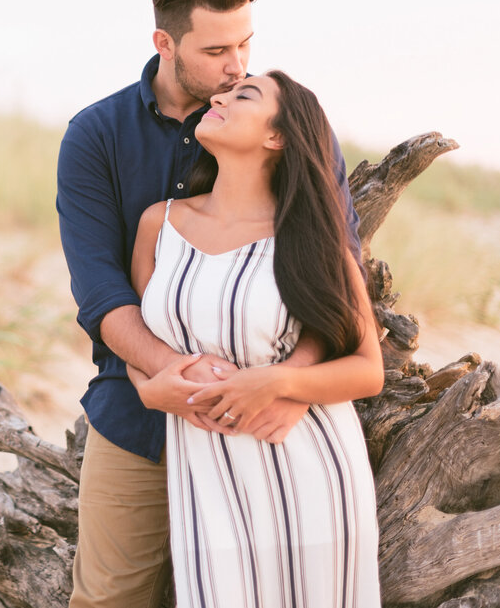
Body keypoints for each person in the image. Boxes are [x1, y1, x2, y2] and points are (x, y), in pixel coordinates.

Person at [56, 0, 361, 607]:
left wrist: (291, 384)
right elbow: (103, 293)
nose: (237, 66)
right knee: (109, 598)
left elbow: (339, 274)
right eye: (218, 49)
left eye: (246, 44)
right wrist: (165, 378)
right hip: (139, 414)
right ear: (165, 42)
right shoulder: (96, 137)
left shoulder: (285, 124)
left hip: (273, 425)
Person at [130, 70, 382, 607]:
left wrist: (277, 383)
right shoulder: (160, 224)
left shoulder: (311, 241)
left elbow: (368, 368)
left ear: (278, 136)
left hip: (308, 473)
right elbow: (140, 341)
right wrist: (148, 388)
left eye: (243, 94)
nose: (217, 96)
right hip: (205, 475)